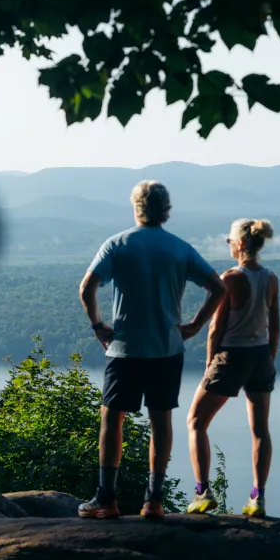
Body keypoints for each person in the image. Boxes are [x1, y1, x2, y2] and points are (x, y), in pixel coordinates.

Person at [77, 180, 226, 519]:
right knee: (161, 422)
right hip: (167, 349)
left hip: (125, 349)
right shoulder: (179, 248)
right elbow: (218, 288)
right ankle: (154, 502)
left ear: (136, 208)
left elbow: (87, 288)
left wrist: (99, 326)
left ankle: (106, 498)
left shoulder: (118, 244)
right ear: (166, 210)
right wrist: (195, 326)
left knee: (112, 419)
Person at [185, 218, 280, 517]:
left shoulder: (231, 278)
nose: (228, 245)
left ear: (239, 244)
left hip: (231, 357)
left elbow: (216, 328)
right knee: (260, 430)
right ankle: (258, 498)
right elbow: (274, 326)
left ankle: (202, 492)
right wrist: (269, 360)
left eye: (229, 241)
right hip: (261, 355)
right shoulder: (270, 278)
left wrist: (210, 365)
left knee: (196, 422)